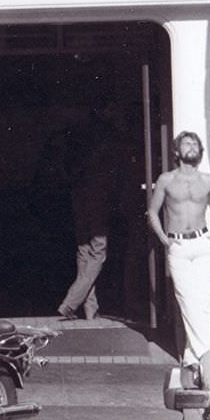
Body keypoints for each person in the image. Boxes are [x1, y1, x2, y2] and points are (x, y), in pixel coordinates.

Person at [147, 131, 210, 367]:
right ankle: (208, 351)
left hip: (202, 243)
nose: (191, 146)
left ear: (200, 151)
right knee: (186, 299)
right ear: (176, 151)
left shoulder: (208, 180)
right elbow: (153, 211)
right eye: (186, 143)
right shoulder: (166, 179)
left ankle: (193, 356)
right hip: (178, 245)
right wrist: (164, 239)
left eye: (195, 143)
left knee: (204, 301)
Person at [57, 105, 120, 320]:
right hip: (97, 198)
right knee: (98, 252)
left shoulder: (75, 139)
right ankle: (71, 302)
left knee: (84, 252)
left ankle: (90, 309)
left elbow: (65, 170)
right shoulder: (104, 140)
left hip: (79, 197)